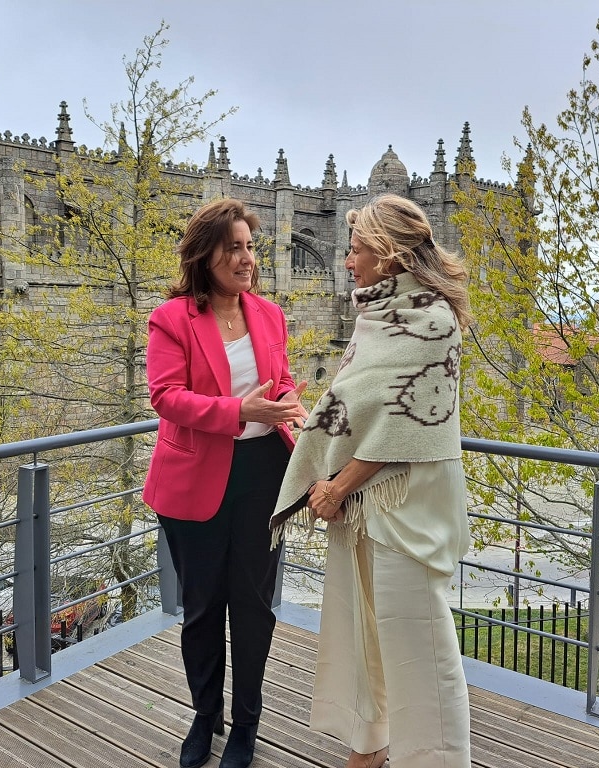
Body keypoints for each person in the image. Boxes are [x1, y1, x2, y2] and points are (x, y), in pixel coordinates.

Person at [271, 194, 473, 768]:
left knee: (420, 641)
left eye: (356, 249)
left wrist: (336, 486)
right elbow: (362, 411)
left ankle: (436, 760)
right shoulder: (376, 316)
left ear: (388, 255)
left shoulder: (432, 322)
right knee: (366, 627)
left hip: (405, 503)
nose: (346, 260)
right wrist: (325, 458)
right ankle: (372, 742)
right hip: (365, 503)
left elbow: (410, 427)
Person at [143, 197, 308, 768]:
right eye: (234, 247)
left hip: (264, 475)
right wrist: (240, 411)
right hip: (195, 482)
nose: (246, 259)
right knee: (203, 608)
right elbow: (167, 397)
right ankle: (204, 716)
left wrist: (286, 405)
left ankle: (246, 727)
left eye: (250, 247)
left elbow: (280, 380)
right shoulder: (172, 318)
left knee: (255, 607)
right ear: (206, 254)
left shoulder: (269, 315)